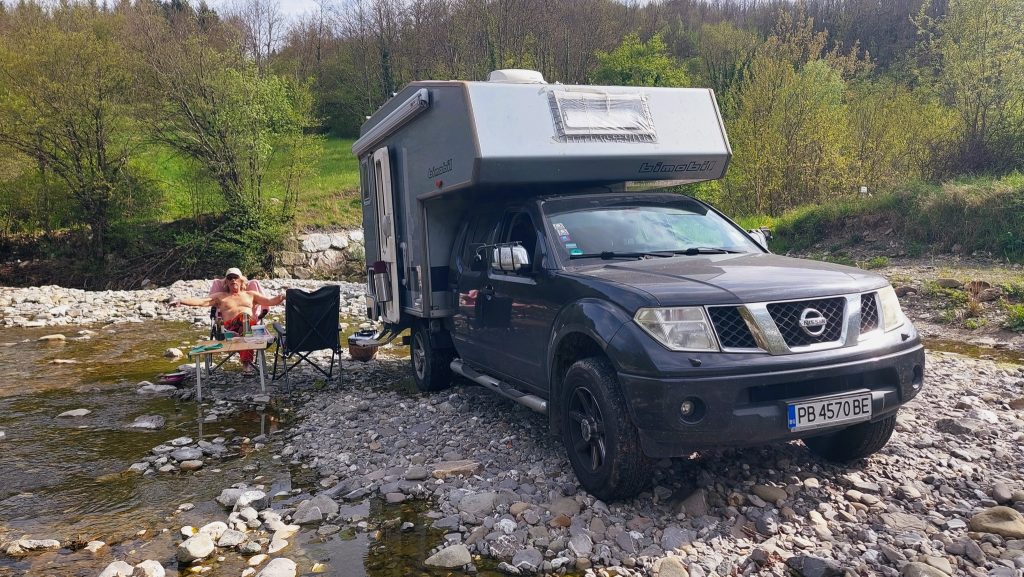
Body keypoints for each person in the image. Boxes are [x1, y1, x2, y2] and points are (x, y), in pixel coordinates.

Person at [172, 268, 286, 374]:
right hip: (230, 329)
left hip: (248, 326)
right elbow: (202, 301)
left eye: (235, 277)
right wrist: (181, 301)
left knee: (246, 322)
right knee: (245, 320)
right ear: (226, 282)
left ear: (241, 281)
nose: (233, 280)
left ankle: (246, 361)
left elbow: (269, 301)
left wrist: (283, 296)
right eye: (229, 278)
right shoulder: (220, 296)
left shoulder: (251, 295)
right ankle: (246, 360)